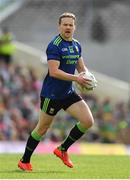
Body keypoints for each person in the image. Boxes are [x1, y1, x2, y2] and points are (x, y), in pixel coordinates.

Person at [18, 12, 94, 171]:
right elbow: (54, 72)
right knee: (42, 129)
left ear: (74, 27)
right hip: (51, 95)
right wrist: (77, 79)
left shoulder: (76, 45)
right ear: (59, 26)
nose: (67, 27)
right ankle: (24, 160)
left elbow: (81, 67)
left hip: (67, 93)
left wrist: (86, 76)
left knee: (88, 121)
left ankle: (62, 149)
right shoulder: (54, 45)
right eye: (65, 24)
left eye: (70, 25)